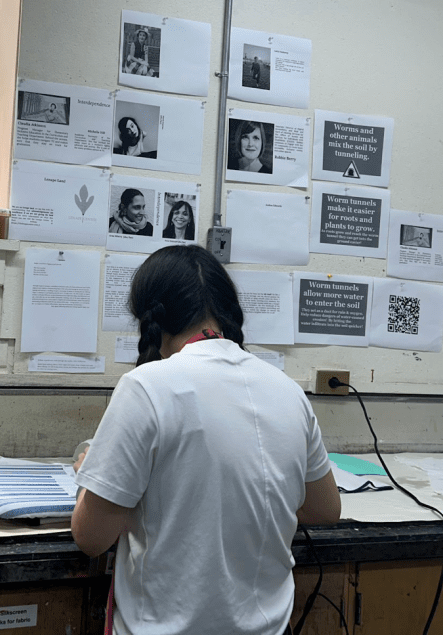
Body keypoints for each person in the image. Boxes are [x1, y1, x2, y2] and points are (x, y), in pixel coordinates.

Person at [71, 245, 340, 635]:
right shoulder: (287, 390)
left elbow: (90, 538)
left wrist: (97, 477)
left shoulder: (145, 388)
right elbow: (325, 508)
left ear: (148, 317)